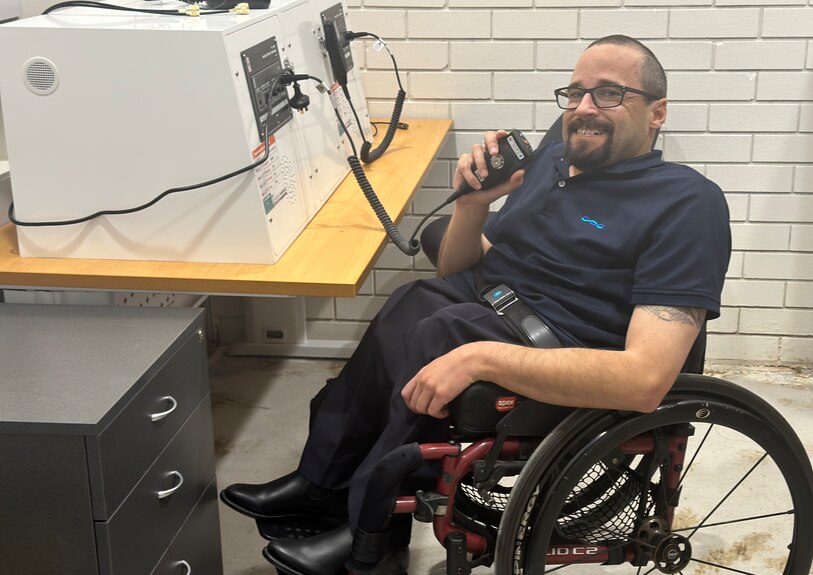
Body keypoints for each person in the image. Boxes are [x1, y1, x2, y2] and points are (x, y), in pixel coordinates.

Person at [221, 34, 732, 575]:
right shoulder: (551, 158)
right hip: (499, 301)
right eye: (575, 92)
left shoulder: (687, 204)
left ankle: (370, 538)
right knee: (411, 302)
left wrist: (481, 358)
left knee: (444, 331)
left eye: (609, 94)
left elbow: (644, 379)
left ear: (657, 113)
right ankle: (322, 482)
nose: (583, 109)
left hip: (569, 345)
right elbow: (459, 267)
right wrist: (472, 204)